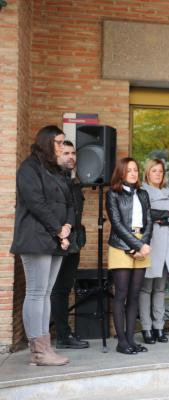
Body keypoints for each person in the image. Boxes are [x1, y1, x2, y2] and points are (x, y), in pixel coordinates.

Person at [11, 125, 73, 366]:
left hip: (55, 238)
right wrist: (58, 229)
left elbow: (68, 201)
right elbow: (35, 203)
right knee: (36, 293)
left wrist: (66, 226)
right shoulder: (29, 168)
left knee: (45, 293)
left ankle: (44, 349)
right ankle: (38, 351)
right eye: (58, 142)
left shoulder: (55, 170)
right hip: (36, 238)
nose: (61, 146)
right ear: (46, 142)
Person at [106, 157, 153, 355]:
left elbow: (149, 220)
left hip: (141, 244)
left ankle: (131, 339)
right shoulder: (112, 194)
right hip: (120, 245)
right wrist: (135, 245)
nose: (133, 173)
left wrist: (143, 244)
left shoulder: (143, 194)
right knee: (122, 294)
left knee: (135, 295)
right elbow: (116, 223)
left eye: (135, 169)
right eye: (129, 170)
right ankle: (121, 342)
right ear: (121, 173)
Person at [139, 159, 169, 344]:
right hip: (151, 243)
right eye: (154, 170)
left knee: (160, 289)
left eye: (161, 171)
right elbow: (145, 215)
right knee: (145, 289)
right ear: (148, 173)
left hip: (168, 245)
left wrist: (162, 218)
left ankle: (159, 327)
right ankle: (146, 329)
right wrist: (167, 214)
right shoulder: (142, 192)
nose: (158, 174)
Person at [50, 140, 89, 349]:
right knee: (57, 290)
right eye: (65, 153)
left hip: (73, 242)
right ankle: (62, 337)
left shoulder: (73, 181)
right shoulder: (52, 180)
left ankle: (64, 335)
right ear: (56, 155)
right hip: (59, 242)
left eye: (73, 153)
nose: (71, 156)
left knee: (64, 288)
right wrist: (60, 235)